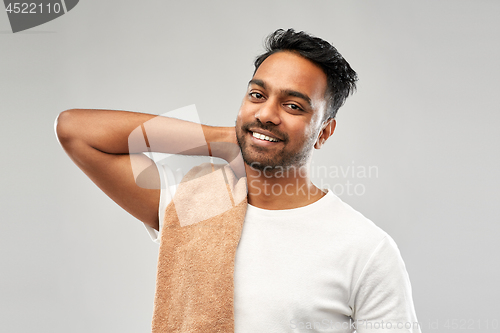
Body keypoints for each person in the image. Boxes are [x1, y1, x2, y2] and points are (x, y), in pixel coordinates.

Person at [55, 29, 421, 332]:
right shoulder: (194, 205)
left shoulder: (366, 249)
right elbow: (76, 130)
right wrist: (220, 138)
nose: (266, 114)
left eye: (293, 106)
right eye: (257, 95)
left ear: (324, 132)